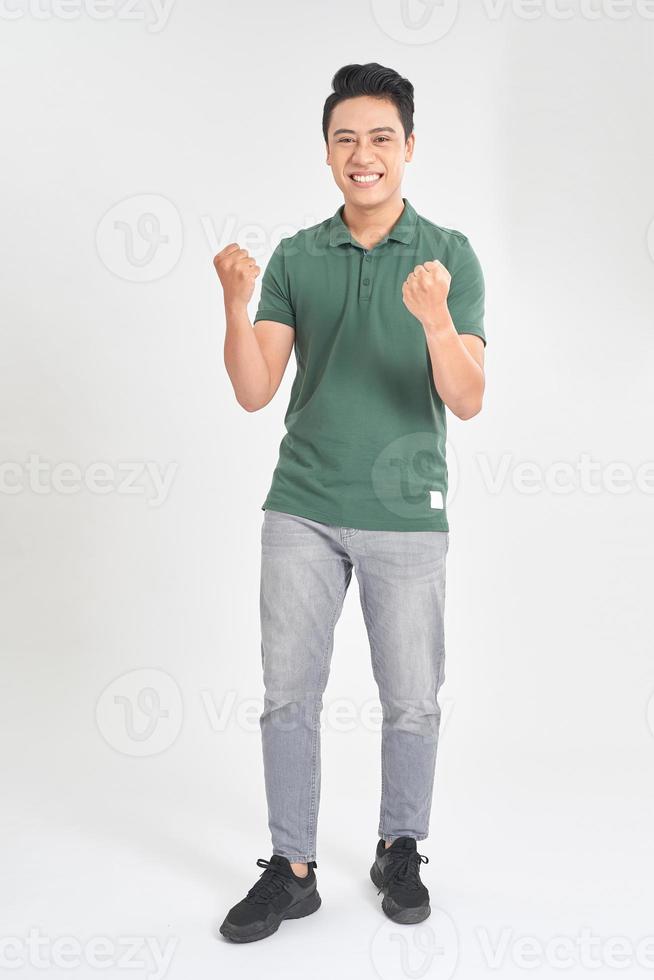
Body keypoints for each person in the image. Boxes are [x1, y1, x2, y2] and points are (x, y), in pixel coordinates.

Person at [213, 62, 486, 944]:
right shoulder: (297, 254)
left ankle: (398, 845)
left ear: (409, 148)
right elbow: (255, 391)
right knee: (288, 693)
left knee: (412, 697)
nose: (362, 155)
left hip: (408, 509)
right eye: (345, 139)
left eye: (380, 138)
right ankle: (292, 870)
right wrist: (233, 302)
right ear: (328, 152)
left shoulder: (451, 255)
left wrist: (438, 322)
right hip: (302, 504)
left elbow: (470, 397)